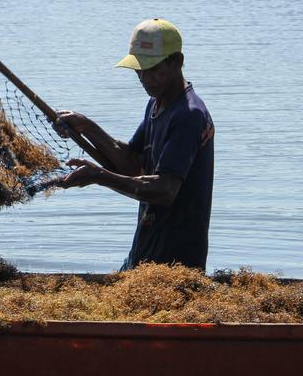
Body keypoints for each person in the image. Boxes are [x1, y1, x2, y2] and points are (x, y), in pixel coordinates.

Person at [53, 18, 215, 270]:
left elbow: (164, 190)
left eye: (151, 69)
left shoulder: (188, 115)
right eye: (138, 69)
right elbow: (131, 163)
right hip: (145, 254)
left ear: (176, 62)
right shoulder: (156, 104)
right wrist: (86, 126)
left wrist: (99, 176)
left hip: (176, 266)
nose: (143, 77)